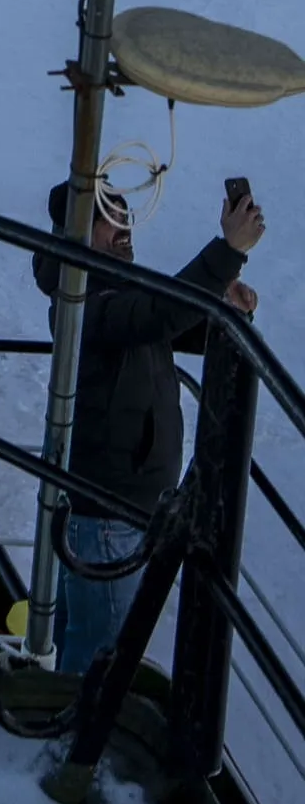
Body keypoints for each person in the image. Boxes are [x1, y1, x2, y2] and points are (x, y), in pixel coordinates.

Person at [36, 177, 265, 673]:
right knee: (102, 657)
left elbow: (169, 323)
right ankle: (77, 743)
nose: (122, 225)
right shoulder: (82, 300)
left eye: (123, 213)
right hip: (108, 517)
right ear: (76, 234)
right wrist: (227, 252)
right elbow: (157, 315)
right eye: (106, 217)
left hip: (121, 510)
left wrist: (226, 311)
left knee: (86, 639)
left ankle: (64, 722)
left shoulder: (114, 288)